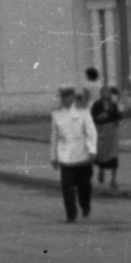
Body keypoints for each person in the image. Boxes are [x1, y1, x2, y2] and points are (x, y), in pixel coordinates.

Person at [49, 85, 99, 222]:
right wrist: (53, 157)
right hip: (65, 157)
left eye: (67, 97)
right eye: (63, 97)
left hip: (82, 156)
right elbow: (54, 136)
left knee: (84, 187)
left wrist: (92, 150)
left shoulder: (83, 112)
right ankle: (71, 215)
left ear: (72, 97)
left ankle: (85, 205)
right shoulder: (56, 114)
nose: (64, 100)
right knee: (67, 189)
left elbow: (91, 133)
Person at [91, 85, 123, 189]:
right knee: (102, 154)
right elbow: (92, 118)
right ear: (101, 94)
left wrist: (117, 121)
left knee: (114, 156)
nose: (107, 93)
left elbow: (118, 117)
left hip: (112, 133)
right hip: (101, 131)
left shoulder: (113, 105)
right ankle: (101, 170)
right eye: (104, 92)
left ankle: (113, 179)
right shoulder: (96, 105)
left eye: (108, 92)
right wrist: (99, 117)